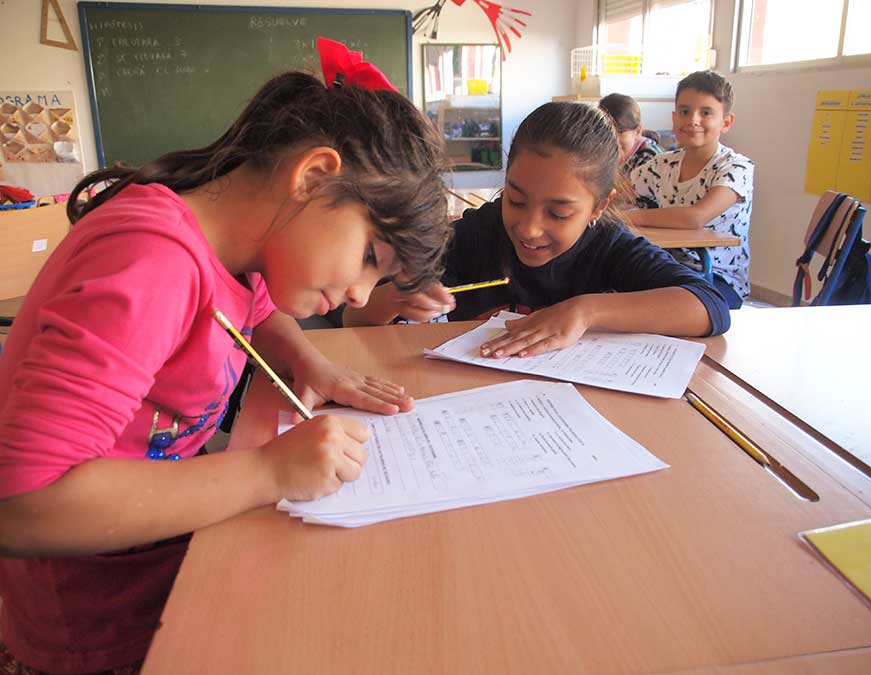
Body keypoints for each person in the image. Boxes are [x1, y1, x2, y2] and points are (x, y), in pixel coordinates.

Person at [0, 53, 451, 674]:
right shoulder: (152, 264)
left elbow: (254, 309)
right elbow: (24, 505)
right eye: (371, 256)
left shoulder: (232, 242)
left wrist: (311, 362)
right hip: (96, 614)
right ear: (314, 175)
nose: (360, 296)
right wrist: (268, 473)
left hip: (157, 551)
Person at [343, 101, 730, 359]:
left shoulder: (608, 247)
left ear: (599, 205)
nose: (529, 228)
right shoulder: (479, 233)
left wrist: (585, 311)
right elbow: (352, 321)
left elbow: (711, 306)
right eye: (517, 200)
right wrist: (396, 299)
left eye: (559, 213)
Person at [628, 70, 754, 309]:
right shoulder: (662, 163)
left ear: (726, 122)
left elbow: (694, 217)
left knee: (657, 309)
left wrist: (628, 218)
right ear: (674, 117)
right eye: (685, 112)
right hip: (666, 269)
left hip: (717, 279)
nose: (693, 120)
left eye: (706, 113)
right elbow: (619, 192)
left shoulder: (737, 167)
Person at [599, 92, 662, 177]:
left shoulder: (649, 161)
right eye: (605, 130)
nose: (611, 138)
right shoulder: (597, 151)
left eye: (620, 132)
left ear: (637, 132)